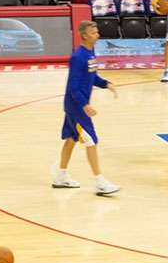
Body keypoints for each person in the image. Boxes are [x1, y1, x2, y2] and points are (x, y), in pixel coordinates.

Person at [51, 21, 120, 196]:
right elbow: (73, 86)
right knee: (91, 140)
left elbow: (92, 77)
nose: (97, 34)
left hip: (74, 105)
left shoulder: (90, 53)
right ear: (85, 35)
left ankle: (61, 176)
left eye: (97, 31)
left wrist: (106, 84)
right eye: (94, 32)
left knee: (71, 138)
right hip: (76, 106)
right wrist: (85, 105)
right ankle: (100, 183)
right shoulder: (78, 56)